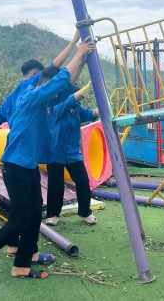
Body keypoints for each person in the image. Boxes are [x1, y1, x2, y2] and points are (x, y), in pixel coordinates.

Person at [0, 38, 95, 280]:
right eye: (50, 86)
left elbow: (67, 85)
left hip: (28, 167)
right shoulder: (29, 97)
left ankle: (22, 263)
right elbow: (60, 79)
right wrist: (78, 52)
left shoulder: (46, 103)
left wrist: (82, 59)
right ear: (42, 83)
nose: (54, 91)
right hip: (15, 167)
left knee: (35, 214)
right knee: (21, 219)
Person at [0, 30, 81, 138]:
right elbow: (56, 64)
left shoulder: (10, 98)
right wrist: (74, 43)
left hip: (16, 140)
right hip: (32, 139)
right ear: (35, 73)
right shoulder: (33, 84)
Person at [45, 81, 99, 226]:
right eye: (78, 97)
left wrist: (97, 111)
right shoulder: (57, 107)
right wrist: (85, 89)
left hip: (73, 154)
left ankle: (85, 212)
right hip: (55, 152)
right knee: (56, 184)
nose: (79, 100)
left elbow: (88, 113)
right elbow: (69, 101)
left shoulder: (76, 109)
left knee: (83, 182)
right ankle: (53, 215)